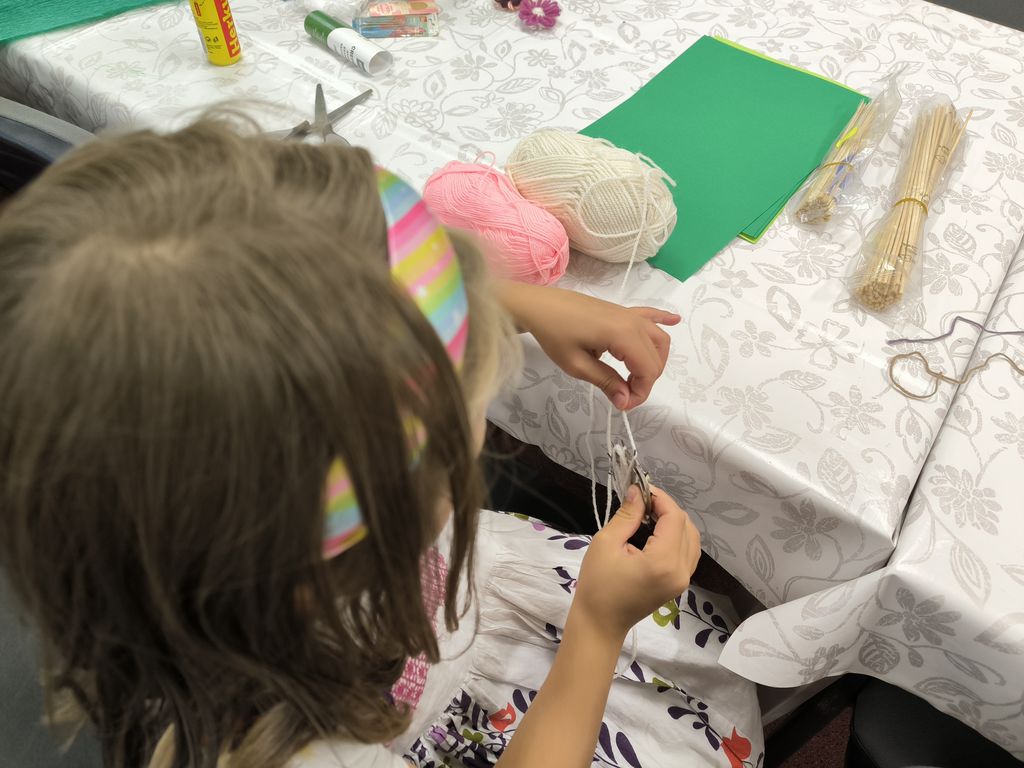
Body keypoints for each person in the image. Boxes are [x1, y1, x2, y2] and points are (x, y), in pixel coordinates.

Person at [0, 120, 764, 768]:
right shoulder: (298, 751)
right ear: (393, 500)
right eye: (469, 395)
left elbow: (321, 297)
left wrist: (517, 301)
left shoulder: (193, 516)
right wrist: (597, 627)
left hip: (464, 621)